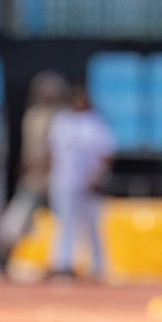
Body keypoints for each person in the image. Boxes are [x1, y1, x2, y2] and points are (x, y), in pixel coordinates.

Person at [0, 70, 69, 263]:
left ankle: (64, 261)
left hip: (59, 177)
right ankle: (7, 254)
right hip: (33, 177)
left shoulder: (65, 117)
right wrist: (24, 169)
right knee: (16, 218)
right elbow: (28, 148)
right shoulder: (32, 115)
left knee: (64, 222)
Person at [46, 84, 115, 280]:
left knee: (94, 224)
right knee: (64, 223)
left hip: (90, 182)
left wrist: (98, 177)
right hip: (63, 180)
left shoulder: (96, 122)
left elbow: (106, 153)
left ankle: (99, 265)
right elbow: (52, 151)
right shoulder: (61, 121)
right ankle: (63, 262)